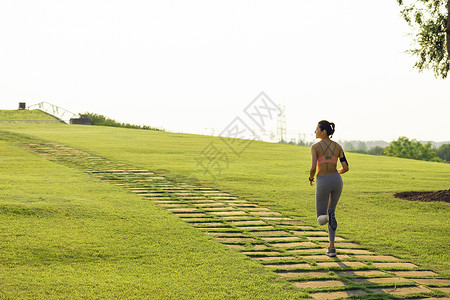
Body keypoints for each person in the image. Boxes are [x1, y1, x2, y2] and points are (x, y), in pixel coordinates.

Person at [309, 120, 349, 257]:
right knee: (331, 211)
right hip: (337, 181)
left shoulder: (315, 147)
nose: (315, 131)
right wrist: (335, 174)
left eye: (316, 129)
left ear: (323, 131)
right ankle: (332, 247)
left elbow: (313, 167)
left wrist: (310, 178)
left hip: (323, 181)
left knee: (321, 218)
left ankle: (329, 217)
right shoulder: (338, 147)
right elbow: (346, 168)